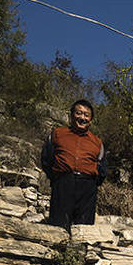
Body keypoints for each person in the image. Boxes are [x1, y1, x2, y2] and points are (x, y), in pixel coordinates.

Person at [41, 99, 107, 231]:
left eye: (86, 115)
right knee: (57, 227)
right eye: (79, 113)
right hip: (63, 184)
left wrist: (91, 184)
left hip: (87, 188)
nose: (82, 117)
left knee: (83, 229)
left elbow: (102, 170)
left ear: (91, 120)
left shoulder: (97, 142)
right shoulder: (58, 134)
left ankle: (80, 251)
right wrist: (57, 178)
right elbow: (46, 159)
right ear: (71, 115)